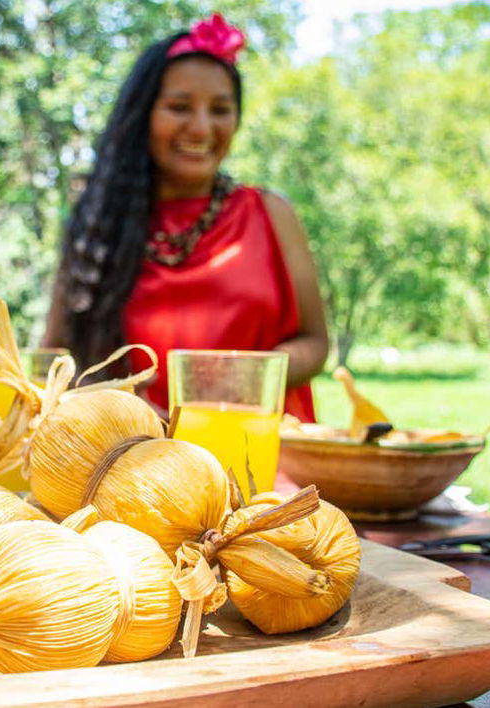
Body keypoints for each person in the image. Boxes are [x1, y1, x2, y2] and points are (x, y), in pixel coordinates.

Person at [41, 14, 329, 421]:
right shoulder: (98, 224)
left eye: (220, 110)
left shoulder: (271, 214)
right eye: (179, 107)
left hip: (264, 455)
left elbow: (315, 342)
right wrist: (118, 407)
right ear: (142, 116)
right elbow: (55, 362)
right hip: (137, 461)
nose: (201, 128)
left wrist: (236, 381)